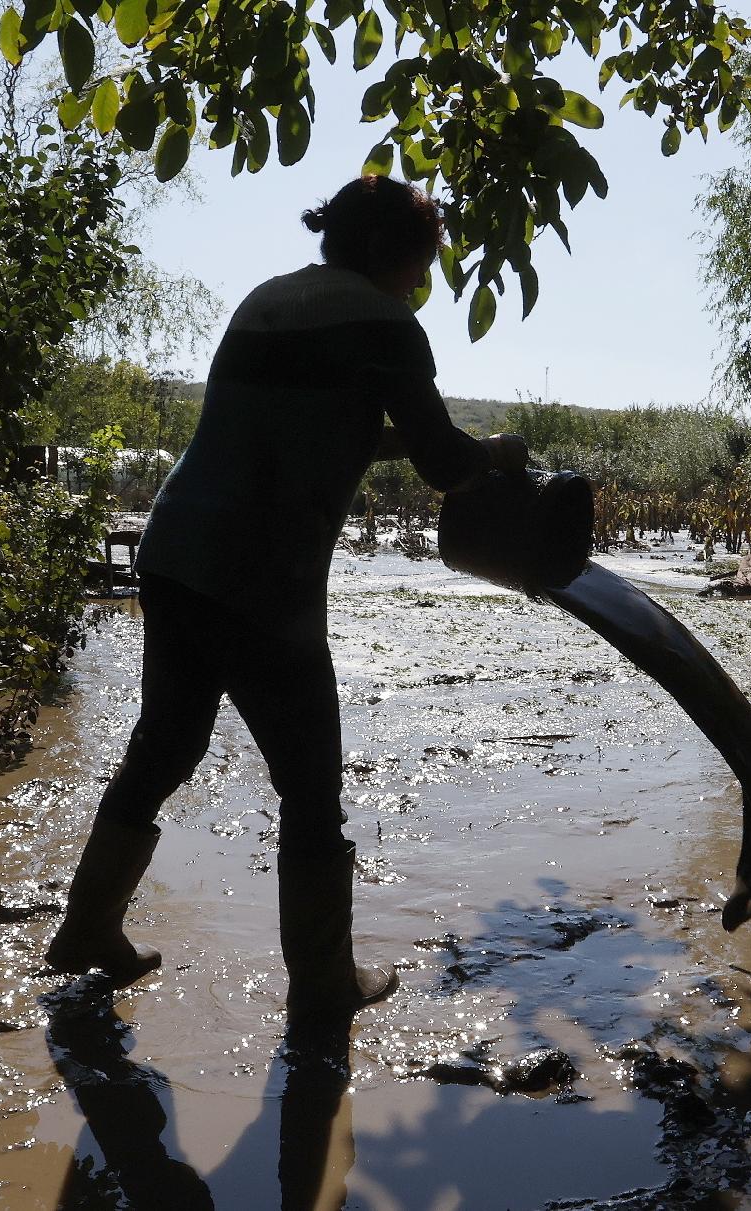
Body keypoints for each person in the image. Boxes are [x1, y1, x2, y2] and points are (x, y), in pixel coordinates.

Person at [46, 176, 527, 1018]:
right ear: (384, 250)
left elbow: (310, 425)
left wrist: (434, 448)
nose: (422, 281)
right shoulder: (386, 326)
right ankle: (323, 982)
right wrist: (495, 454)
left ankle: (88, 928)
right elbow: (443, 463)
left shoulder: (264, 303)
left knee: (164, 747)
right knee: (309, 784)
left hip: (176, 549)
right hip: (264, 573)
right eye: (420, 261)